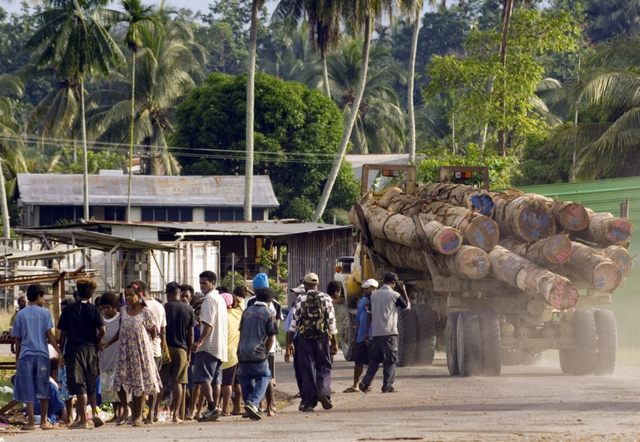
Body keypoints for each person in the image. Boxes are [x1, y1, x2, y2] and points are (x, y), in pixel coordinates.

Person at [106, 281, 161, 426]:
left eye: (131, 295)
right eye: (127, 295)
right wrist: (108, 343)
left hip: (141, 351)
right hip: (125, 352)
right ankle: (128, 411)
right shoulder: (123, 311)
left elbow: (154, 331)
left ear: (139, 295)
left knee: (142, 383)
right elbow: (120, 330)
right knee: (120, 382)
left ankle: (140, 415)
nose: (129, 298)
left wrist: (145, 342)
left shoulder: (145, 311)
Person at [12, 284, 62, 430]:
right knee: (43, 388)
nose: (44, 300)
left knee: (28, 388)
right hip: (42, 355)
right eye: (44, 297)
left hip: (26, 356)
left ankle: (32, 423)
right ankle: (44, 422)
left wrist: (17, 361)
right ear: (39, 297)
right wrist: (59, 351)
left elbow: (17, 339)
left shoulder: (21, 314)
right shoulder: (45, 313)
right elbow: (49, 335)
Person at [285, 273, 338, 412]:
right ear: (317, 284)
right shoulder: (326, 298)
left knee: (307, 369)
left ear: (306, 285)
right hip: (322, 338)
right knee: (324, 366)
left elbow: (293, 325)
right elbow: (331, 322)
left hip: (305, 339)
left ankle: (309, 403)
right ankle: (323, 391)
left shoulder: (300, 300)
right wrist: (335, 342)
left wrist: (289, 344)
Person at [57, 278, 105, 429]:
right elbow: (103, 330)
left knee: (79, 385)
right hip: (90, 350)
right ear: (91, 293)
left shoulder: (69, 310)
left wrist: (61, 353)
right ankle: (94, 415)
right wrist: (97, 342)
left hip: (74, 350)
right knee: (90, 382)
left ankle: (83, 421)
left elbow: (63, 334)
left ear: (78, 291)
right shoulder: (94, 309)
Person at [359, 272, 410, 394]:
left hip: (375, 333)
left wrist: (367, 332)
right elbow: (407, 307)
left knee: (375, 360)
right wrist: (404, 292)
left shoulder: (374, 295)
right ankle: (387, 386)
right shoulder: (394, 295)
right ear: (394, 282)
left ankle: (365, 382)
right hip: (389, 333)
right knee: (390, 360)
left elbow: (369, 315)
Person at [189, 270, 228, 422]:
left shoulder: (209, 299)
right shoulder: (220, 298)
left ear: (213, 283)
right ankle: (215, 408)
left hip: (208, 345)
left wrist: (199, 342)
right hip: (219, 345)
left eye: (204, 283)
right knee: (216, 380)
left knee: (204, 377)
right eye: (200, 283)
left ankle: (211, 407)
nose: (202, 286)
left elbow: (208, 323)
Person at [237, 287, 278, 421]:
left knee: (245, 378)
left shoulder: (246, 311)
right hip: (257, 351)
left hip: (242, 351)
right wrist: (265, 352)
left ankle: (253, 409)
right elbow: (271, 337)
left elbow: (241, 331)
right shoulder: (268, 313)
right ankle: (253, 403)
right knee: (265, 376)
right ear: (270, 300)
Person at [246, 273, 283, 416]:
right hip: (269, 346)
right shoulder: (276, 304)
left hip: (253, 346)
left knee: (257, 377)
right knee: (267, 377)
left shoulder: (249, 302)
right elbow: (275, 328)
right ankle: (271, 407)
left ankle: (259, 405)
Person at [161, 281, 195, 423]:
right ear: (179, 294)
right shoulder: (188, 309)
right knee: (179, 382)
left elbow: (161, 330)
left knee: (161, 382)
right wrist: (188, 352)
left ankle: (154, 413)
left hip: (166, 348)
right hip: (182, 349)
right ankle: (176, 415)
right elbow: (191, 333)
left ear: (168, 294)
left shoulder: (164, 308)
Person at [134, 280, 165, 424]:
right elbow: (162, 331)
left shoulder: (140, 307)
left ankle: (140, 414)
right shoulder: (159, 306)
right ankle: (152, 413)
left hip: (141, 350)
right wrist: (161, 348)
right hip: (156, 349)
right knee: (154, 383)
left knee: (139, 383)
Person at [343, 279, 378, 393]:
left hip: (373, 336)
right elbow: (358, 320)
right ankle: (355, 385)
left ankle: (369, 385)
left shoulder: (378, 300)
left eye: (367, 288)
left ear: (374, 288)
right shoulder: (363, 301)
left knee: (372, 361)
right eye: (364, 288)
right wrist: (355, 336)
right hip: (361, 337)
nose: (364, 290)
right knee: (358, 361)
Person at [97, 292, 122, 423]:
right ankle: (115, 414)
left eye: (108, 308)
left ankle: (122, 412)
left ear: (114, 307)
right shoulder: (100, 319)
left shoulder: (120, 318)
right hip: (105, 358)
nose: (105, 311)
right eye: (103, 308)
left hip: (117, 357)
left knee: (118, 388)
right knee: (108, 389)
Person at [220, 289, 243, 416]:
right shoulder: (238, 314)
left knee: (227, 383)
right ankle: (238, 407)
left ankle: (225, 409)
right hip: (238, 353)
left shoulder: (224, 316)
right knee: (237, 382)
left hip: (227, 353)